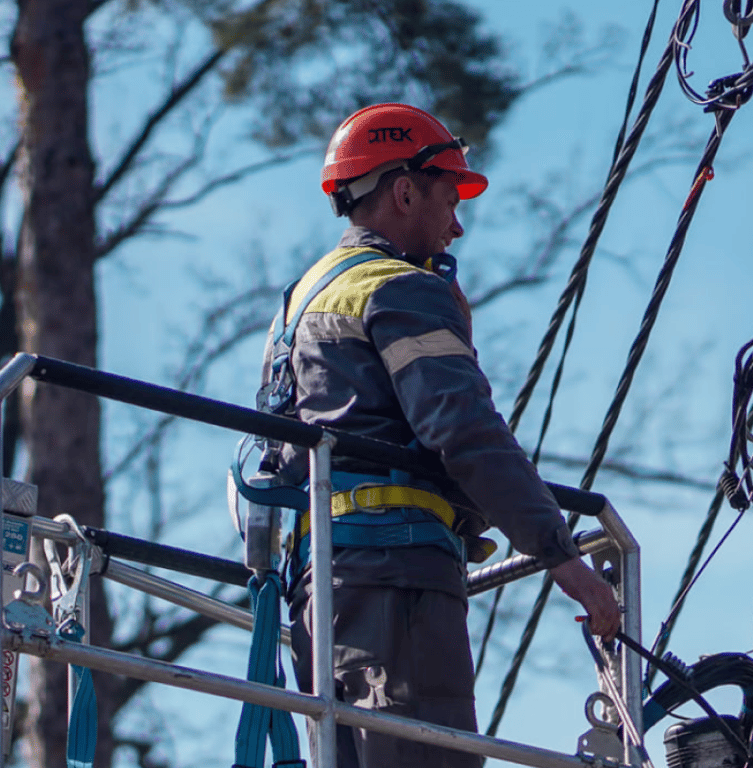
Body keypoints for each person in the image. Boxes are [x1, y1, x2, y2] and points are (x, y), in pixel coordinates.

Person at [261, 103, 621, 768]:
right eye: (449, 199)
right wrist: (561, 556)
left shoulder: (302, 299)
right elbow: (462, 428)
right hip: (398, 585)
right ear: (404, 191)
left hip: (321, 594)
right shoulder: (401, 287)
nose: (456, 226)